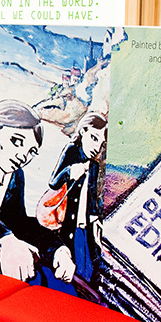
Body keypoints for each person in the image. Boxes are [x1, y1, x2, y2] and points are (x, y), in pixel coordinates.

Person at [0, 99, 75, 287]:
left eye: (31, 152)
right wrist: (6, 240)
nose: (22, 156)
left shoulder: (16, 176)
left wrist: (58, 250)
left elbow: (19, 222)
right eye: (16, 141)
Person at [47, 112, 107, 287]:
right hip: (68, 222)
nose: (96, 147)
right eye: (94, 138)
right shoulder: (71, 151)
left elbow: (92, 197)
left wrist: (96, 219)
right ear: (83, 131)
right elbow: (53, 182)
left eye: (101, 144)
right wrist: (71, 171)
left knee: (88, 267)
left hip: (85, 224)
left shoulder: (94, 165)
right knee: (70, 266)